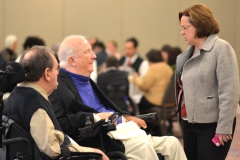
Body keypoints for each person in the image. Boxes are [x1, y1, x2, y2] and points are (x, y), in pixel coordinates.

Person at [49, 35, 187, 160]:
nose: (94, 56)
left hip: (123, 131)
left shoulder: (86, 80)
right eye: (87, 52)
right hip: (105, 137)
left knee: (173, 143)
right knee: (142, 145)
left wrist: (127, 117)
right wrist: (95, 117)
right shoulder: (58, 85)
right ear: (72, 60)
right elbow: (60, 123)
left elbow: (108, 107)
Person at [2, 46, 108, 160]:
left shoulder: (16, 95)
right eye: (57, 68)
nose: (58, 73)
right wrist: (95, 152)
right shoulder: (36, 106)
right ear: (47, 73)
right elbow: (54, 152)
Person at [175, 4, 240, 160]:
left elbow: (229, 91)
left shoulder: (221, 48)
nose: (181, 32)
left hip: (213, 125)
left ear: (199, 24)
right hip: (189, 124)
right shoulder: (187, 55)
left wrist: (224, 127)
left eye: (185, 27)